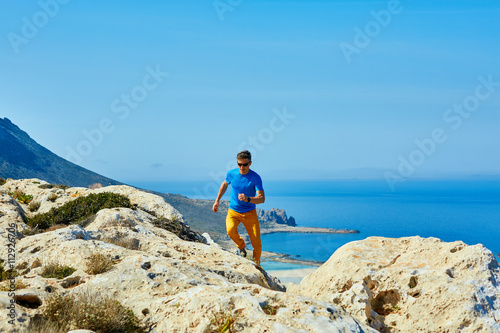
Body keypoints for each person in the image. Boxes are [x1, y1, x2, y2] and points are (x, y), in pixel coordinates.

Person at [212, 150, 265, 265]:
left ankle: (257, 265)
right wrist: (217, 201)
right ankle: (241, 246)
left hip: (250, 213)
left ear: (250, 163)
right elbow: (224, 184)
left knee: (256, 243)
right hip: (233, 211)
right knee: (230, 231)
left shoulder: (255, 177)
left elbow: (261, 198)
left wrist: (248, 199)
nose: (241, 167)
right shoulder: (231, 174)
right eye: (239, 164)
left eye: (244, 164)